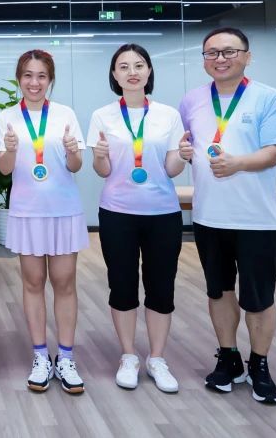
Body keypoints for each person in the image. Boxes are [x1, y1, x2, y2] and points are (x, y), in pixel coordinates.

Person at [178, 26, 276, 405]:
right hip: (208, 217)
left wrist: (237, 163)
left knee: (259, 297)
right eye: (211, 53)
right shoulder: (191, 101)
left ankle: (259, 364)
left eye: (229, 51)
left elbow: (273, 153)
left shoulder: (268, 97)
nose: (220, 59)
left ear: (247, 56)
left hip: (255, 218)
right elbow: (188, 147)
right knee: (219, 291)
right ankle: (228, 358)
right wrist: (183, 151)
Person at [86, 44, 187, 393]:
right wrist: (100, 156)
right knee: (122, 284)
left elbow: (171, 169)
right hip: (117, 213)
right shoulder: (102, 116)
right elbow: (103, 171)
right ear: (114, 75)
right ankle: (128, 355)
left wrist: (183, 155)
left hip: (163, 213)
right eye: (124, 66)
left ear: (149, 71)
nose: (132, 72)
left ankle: (157, 358)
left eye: (139, 65)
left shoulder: (168, 115)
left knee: (161, 286)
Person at [0, 49, 87, 394]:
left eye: (41, 76)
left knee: (65, 283)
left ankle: (66, 358)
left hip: (63, 209)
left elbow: (76, 166)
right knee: (33, 283)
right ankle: (40, 357)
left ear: (50, 80)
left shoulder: (65, 114)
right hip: (27, 210)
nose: (34, 82)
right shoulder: (6, 117)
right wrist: (10, 149)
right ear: (19, 78)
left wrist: (73, 150)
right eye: (28, 75)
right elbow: (4, 169)